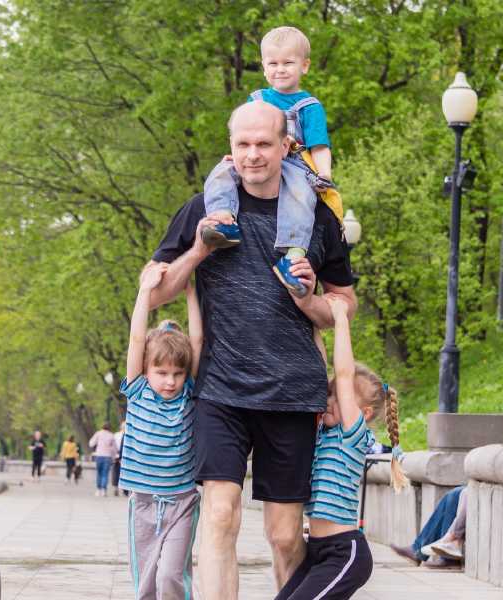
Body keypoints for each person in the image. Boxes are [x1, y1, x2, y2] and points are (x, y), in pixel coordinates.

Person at [148, 100, 356, 599]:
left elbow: (345, 305)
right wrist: (199, 248)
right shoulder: (205, 207)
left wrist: (309, 298)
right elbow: (155, 290)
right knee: (220, 515)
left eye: (264, 144)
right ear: (231, 148)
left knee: (285, 538)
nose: (253, 155)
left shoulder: (316, 219)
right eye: (242, 144)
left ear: (286, 146)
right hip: (221, 390)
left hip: (292, 392)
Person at [275, 296, 407, 599]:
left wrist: (341, 318)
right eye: (331, 394)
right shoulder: (323, 432)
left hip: (344, 554)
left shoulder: (352, 435)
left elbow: (343, 375)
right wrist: (311, 319)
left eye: (338, 396)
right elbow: (322, 370)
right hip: (317, 552)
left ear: (364, 414)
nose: (330, 398)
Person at [202, 26, 343, 298]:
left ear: (305, 66)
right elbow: (244, 131)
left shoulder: (309, 106)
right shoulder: (257, 99)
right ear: (264, 68)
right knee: (221, 172)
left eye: (288, 63)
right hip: (257, 159)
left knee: (301, 197)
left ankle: (293, 254)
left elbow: (320, 145)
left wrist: (324, 172)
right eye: (273, 63)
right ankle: (222, 219)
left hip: (294, 162)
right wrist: (238, 153)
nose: (280, 69)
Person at [392, 380, 503, 569]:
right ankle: (436, 553)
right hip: (501, 488)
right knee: (454, 495)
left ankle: (441, 550)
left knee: (460, 494)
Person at [119, 263, 202, 600]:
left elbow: (197, 340)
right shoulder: (137, 390)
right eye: (162, 372)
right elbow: (138, 337)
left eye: (177, 373)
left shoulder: (187, 395)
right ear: (147, 370)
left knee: (171, 576)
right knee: (146, 583)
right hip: (142, 502)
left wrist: (191, 291)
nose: (170, 381)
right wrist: (145, 292)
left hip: (181, 502)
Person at [89, 423, 118, 497]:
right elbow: (115, 448)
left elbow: (91, 443)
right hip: (108, 457)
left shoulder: (98, 434)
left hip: (99, 456)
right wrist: (114, 456)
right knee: (105, 474)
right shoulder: (111, 435)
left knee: (99, 473)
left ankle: (98, 490)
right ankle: (104, 490)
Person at [112, 421, 125, 496]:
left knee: (116, 472)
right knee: (123, 473)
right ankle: (124, 490)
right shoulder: (127, 435)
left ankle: (116, 488)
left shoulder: (116, 435)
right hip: (123, 456)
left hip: (116, 456)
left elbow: (113, 445)